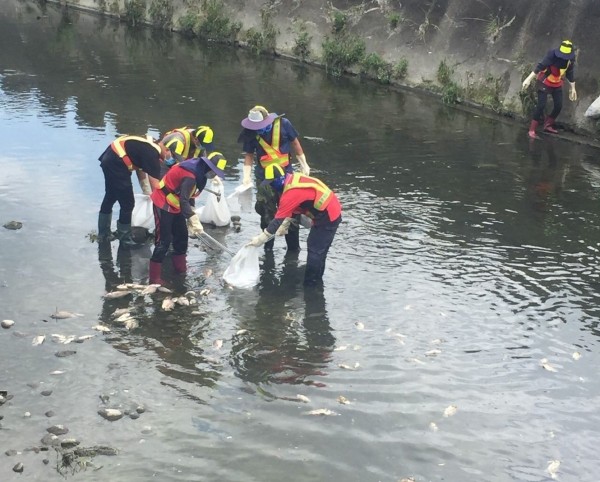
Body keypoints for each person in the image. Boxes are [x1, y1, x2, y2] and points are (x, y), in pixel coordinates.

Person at [246, 165, 342, 286]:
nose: (270, 186)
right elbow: (296, 206)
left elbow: (276, 221)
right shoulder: (292, 179)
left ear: (279, 179)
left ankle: (311, 286)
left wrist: (260, 240)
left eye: (272, 182)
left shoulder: (290, 193)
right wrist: (286, 223)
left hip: (328, 215)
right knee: (319, 249)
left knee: (315, 249)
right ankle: (318, 281)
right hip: (329, 209)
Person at [237, 105, 310, 251]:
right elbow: (249, 155)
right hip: (264, 178)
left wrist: (303, 163)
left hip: (286, 175)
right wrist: (246, 176)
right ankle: (267, 247)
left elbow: (295, 142)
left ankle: (293, 248)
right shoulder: (250, 132)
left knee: (291, 212)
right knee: (266, 213)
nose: (258, 129)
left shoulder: (284, 124)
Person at [148, 152, 227, 285]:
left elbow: (189, 196)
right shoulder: (190, 175)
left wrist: (191, 212)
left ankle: (180, 269)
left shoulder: (200, 170)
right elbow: (184, 200)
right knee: (164, 241)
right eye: (214, 171)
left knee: (182, 236)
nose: (214, 175)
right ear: (209, 166)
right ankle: (154, 278)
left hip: (177, 204)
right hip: (163, 202)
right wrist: (193, 219)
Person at [98, 134, 169, 246]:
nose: (168, 157)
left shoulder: (147, 142)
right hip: (117, 163)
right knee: (128, 203)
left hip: (109, 158)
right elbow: (155, 184)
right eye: (169, 153)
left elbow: (140, 168)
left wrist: (147, 192)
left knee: (110, 196)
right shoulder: (152, 153)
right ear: (165, 148)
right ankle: (125, 239)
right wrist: (163, 203)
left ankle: (103, 234)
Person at [522, 40, 577, 139]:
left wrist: (572, 89)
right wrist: (528, 79)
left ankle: (548, 125)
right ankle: (532, 129)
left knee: (559, 105)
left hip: (557, 83)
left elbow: (570, 73)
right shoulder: (552, 54)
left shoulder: (571, 59)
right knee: (541, 105)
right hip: (544, 81)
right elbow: (540, 66)